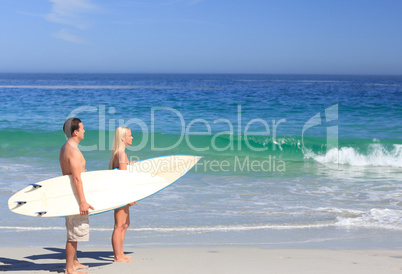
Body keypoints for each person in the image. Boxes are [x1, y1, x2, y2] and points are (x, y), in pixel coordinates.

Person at [59, 118, 94, 274]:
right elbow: (76, 178)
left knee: (74, 230)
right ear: (75, 132)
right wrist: (83, 202)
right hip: (74, 196)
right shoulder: (73, 150)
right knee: (73, 233)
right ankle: (69, 268)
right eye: (82, 128)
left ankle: (74, 261)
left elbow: (75, 173)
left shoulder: (65, 147)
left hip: (70, 193)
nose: (84, 131)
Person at [108, 126, 136, 262]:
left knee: (125, 224)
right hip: (121, 194)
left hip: (119, 192)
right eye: (130, 135)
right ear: (123, 138)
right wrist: (129, 197)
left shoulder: (120, 154)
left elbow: (119, 172)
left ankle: (120, 253)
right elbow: (123, 179)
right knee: (119, 225)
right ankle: (117, 256)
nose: (132, 137)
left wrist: (129, 165)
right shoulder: (121, 154)